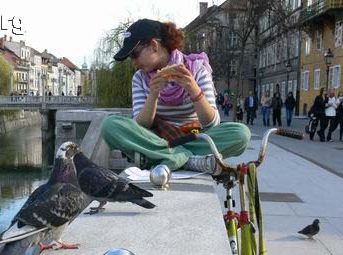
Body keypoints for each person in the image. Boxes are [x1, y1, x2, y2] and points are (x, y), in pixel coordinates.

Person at [100, 18, 250, 173]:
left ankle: (163, 156)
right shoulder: (139, 78)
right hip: (157, 138)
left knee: (241, 133)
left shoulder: (196, 68)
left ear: (153, 45)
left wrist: (194, 90)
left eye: (135, 54)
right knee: (109, 125)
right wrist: (153, 96)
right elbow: (142, 126)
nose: (133, 62)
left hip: (194, 138)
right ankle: (189, 160)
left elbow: (211, 123)